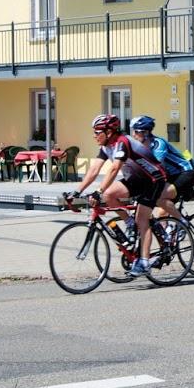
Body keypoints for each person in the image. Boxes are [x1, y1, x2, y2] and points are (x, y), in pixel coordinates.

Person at [69, 113, 168, 277]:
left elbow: (114, 169)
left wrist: (98, 191)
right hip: (136, 179)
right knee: (109, 195)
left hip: (153, 179)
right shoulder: (106, 146)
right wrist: (77, 191)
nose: (94, 136)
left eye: (97, 132)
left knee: (142, 219)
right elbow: (94, 169)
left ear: (109, 132)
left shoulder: (122, 142)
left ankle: (144, 262)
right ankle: (129, 222)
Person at [128, 116, 194, 227]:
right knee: (162, 214)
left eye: (135, 132)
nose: (133, 135)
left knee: (157, 197)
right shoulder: (140, 147)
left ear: (145, 132)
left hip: (185, 173)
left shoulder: (158, 144)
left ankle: (183, 222)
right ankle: (167, 238)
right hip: (170, 176)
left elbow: (155, 167)